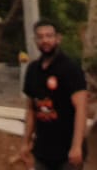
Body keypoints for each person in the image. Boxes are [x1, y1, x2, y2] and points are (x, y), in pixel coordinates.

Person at [21, 22, 87, 170]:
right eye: (40, 37)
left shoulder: (70, 69)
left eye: (49, 36)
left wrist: (77, 146)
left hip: (67, 154)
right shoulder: (32, 71)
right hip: (42, 152)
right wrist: (25, 142)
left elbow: (81, 109)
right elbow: (31, 110)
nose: (45, 40)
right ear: (35, 41)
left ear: (58, 39)